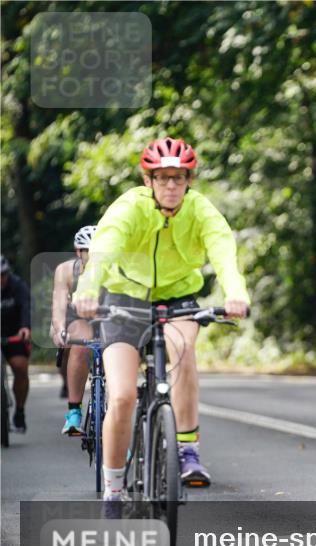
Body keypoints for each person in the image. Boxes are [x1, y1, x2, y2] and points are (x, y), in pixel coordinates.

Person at [73, 137, 250, 506]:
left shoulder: (200, 210)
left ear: (189, 180)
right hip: (124, 297)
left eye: (179, 178)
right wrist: (88, 289)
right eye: (163, 178)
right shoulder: (129, 209)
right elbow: (104, 249)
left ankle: (187, 451)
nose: (171, 185)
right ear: (148, 180)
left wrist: (236, 293)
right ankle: (114, 488)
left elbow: (223, 251)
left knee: (183, 349)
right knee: (121, 396)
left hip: (177, 296)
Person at [51, 226, 97, 435]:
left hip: (108, 317)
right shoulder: (66, 271)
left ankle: (119, 430)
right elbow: (59, 304)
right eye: (89, 250)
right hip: (78, 317)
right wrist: (60, 329)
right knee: (80, 341)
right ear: (79, 252)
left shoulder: (115, 267)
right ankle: (74, 411)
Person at [1, 255, 31, 433]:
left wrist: (26, 327)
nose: (0, 279)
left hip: (14, 335)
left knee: (20, 367)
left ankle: (19, 411)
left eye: (3, 275)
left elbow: (26, 306)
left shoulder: (17, 285)